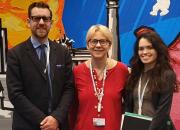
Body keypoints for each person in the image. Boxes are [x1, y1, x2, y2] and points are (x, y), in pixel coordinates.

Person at [6, 2, 74, 130]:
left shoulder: (62, 52)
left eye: (46, 18)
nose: (41, 22)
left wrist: (56, 118)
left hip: (58, 125)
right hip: (28, 125)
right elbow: (16, 94)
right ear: (28, 22)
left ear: (51, 22)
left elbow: (68, 88)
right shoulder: (15, 54)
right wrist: (44, 122)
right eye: (36, 18)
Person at [70, 24, 129, 130]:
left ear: (109, 45)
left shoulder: (122, 70)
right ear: (88, 45)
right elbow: (73, 109)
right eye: (94, 41)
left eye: (103, 41)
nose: (98, 45)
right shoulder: (77, 71)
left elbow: (129, 106)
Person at [124, 29, 178, 130]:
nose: (145, 52)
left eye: (149, 48)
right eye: (141, 49)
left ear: (158, 50)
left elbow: (162, 112)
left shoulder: (167, 75)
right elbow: (128, 106)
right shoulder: (134, 76)